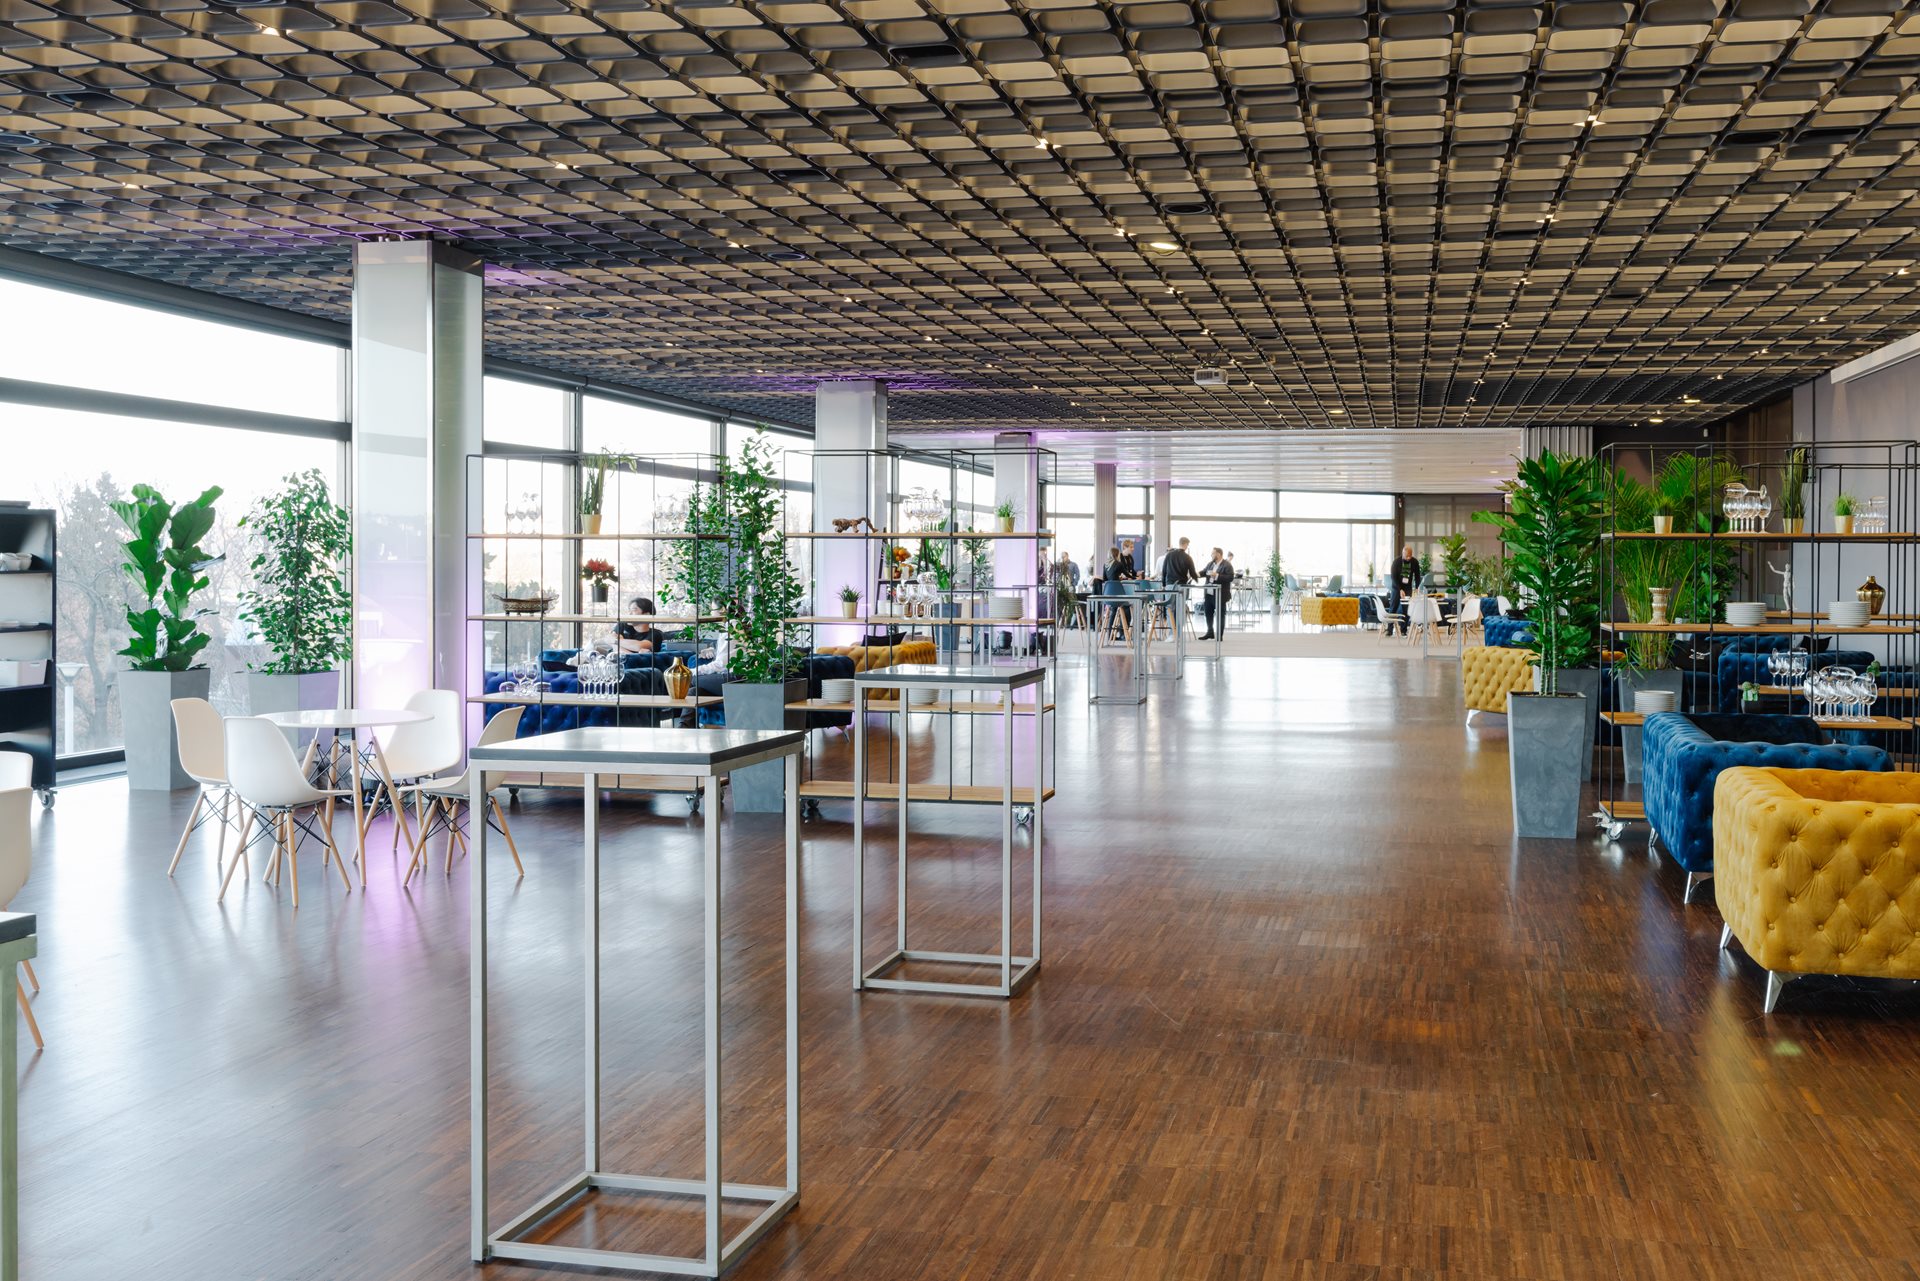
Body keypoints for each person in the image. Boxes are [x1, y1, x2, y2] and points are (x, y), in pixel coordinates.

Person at [1159, 537, 1198, 632]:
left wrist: (1163, 585)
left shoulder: (1169, 555)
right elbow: (1193, 573)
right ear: (1186, 544)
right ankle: (1179, 633)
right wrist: (1196, 579)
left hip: (1170, 585)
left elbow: (1164, 571)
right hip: (1182, 586)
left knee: (1170, 609)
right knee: (1180, 609)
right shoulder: (1188, 557)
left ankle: (1172, 633)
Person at [1387, 544, 1421, 638]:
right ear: (1403, 553)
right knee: (1393, 608)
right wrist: (1400, 589)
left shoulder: (1414, 562)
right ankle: (1389, 630)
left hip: (1407, 588)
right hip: (1396, 588)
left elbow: (1417, 576)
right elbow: (1393, 577)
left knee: (1406, 609)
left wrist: (1417, 587)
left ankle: (1403, 630)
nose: (1408, 558)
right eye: (1407, 556)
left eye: (1410, 555)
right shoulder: (1396, 562)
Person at [1199, 546, 1232, 640]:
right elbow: (1204, 572)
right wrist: (1195, 574)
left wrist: (1217, 575)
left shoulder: (1227, 565)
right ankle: (1210, 632)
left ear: (1219, 554)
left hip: (1220, 594)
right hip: (1209, 593)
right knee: (1208, 613)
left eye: (1213, 553)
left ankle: (1219, 635)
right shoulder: (1210, 564)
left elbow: (1230, 577)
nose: (1211, 555)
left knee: (1220, 615)